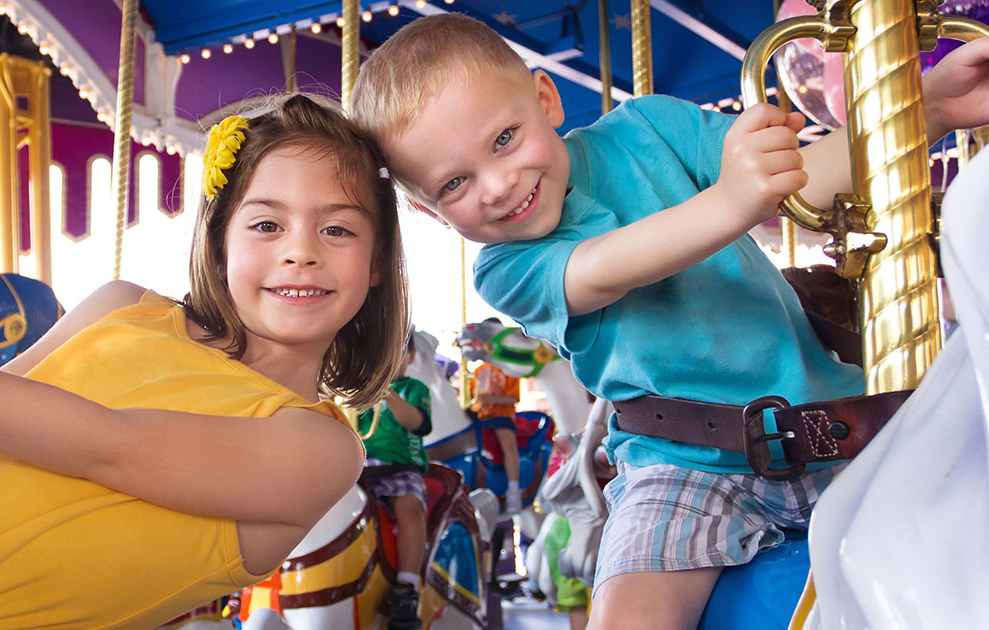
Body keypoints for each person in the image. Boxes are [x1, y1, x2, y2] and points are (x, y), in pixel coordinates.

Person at [350, 13, 989, 629]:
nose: (496, 185)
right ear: (430, 213)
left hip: (835, 425)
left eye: (503, 139)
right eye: (454, 184)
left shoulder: (649, 128)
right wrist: (733, 200)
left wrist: (928, 106)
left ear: (545, 99)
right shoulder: (506, 267)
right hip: (684, 468)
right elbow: (609, 267)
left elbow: (797, 183)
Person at [0, 93, 410, 629]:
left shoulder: (319, 450)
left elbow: (105, 445)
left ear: (378, 262)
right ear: (221, 241)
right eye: (267, 225)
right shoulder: (121, 308)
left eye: (337, 230)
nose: (300, 251)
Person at [356, 330, 432, 630]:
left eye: (396, 351)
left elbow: (416, 423)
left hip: (400, 468)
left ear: (411, 356)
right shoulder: (358, 393)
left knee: (409, 508)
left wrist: (386, 391)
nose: (387, 358)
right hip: (360, 468)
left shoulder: (412, 388)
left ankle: (407, 585)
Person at [469, 356, 523, 515]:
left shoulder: (508, 368)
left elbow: (514, 398)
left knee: (507, 442)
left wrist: (490, 399)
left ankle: (513, 489)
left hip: (501, 414)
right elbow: (470, 397)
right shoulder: (477, 371)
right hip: (479, 416)